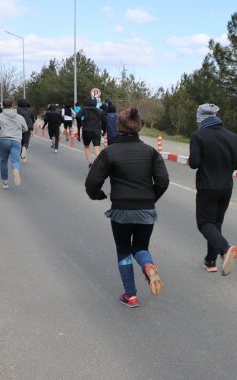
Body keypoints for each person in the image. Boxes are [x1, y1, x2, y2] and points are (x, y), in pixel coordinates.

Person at [85, 108, 169, 308]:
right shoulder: (151, 153)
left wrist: (98, 195)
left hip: (121, 210)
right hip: (146, 210)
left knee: (123, 250)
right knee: (140, 247)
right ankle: (148, 265)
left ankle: (130, 295)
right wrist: (150, 199)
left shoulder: (109, 153)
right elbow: (163, 181)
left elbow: (92, 183)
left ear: (118, 126)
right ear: (138, 126)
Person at [189, 103, 237, 275]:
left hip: (207, 187)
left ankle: (225, 249)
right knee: (216, 224)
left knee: (205, 223)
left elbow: (194, 163)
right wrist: (229, 166)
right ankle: (210, 261)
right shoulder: (232, 136)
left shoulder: (198, 136)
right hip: (226, 187)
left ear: (200, 118)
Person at [0, 99, 28, 189]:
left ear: (3, 106)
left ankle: (5, 182)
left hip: (4, 140)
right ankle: (15, 168)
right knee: (15, 160)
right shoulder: (19, 117)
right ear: (12, 105)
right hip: (16, 141)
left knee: (3, 160)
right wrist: (17, 131)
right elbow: (25, 128)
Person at [75, 97, 107, 168]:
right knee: (97, 148)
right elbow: (105, 122)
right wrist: (104, 130)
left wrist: (80, 123)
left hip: (86, 130)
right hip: (96, 131)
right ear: (95, 102)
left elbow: (77, 116)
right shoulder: (99, 111)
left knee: (86, 146)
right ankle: (100, 163)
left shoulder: (84, 109)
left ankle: (90, 162)